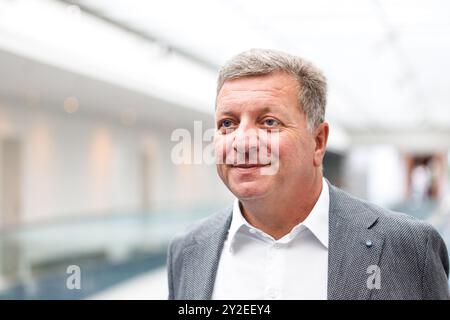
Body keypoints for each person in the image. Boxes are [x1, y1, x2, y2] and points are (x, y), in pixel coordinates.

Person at [167, 48, 449, 300]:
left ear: (318, 141)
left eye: (268, 122)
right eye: (227, 123)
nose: (242, 142)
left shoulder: (408, 247)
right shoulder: (188, 251)